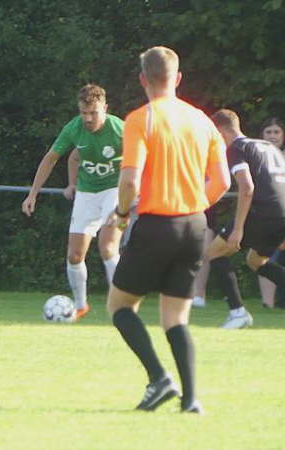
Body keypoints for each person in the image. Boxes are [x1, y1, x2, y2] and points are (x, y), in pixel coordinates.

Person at [106, 46, 230, 414]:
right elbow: (221, 181)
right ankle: (191, 399)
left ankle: (159, 378)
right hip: (194, 224)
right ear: (177, 79)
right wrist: (193, 206)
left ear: (143, 79)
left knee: (120, 305)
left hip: (157, 223)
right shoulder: (203, 121)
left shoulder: (139, 120)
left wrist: (122, 214)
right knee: (175, 318)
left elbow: (129, 181)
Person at [22, 84, 123, 320]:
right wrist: (33, 194)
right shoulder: (74, 128)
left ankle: (121, 306)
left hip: (115, 190)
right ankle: (80, 306)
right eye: (83, 113)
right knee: (74, 256)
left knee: (108, 247)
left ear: (105, 109)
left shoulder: (119, 130)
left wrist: (133, 196)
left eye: (94, 113)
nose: (88, 118)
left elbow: (140, 163)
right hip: (87, 192)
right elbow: (53, 159)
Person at [206, 110, 285, 328]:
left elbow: (247, 188)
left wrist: (238, 229)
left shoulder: (236, 148)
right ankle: (238, 312)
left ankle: (238, 312)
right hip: (282, 213)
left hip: (263, 211)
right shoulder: (267, 146)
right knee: (256, 261)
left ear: (219, 131)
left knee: (214, 252)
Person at [255, 117, 285, 308]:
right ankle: (267, 303)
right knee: (264, 257)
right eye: (268, 132)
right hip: (267, 215)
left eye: (276, 132)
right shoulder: (257, 156)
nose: (273, 136)